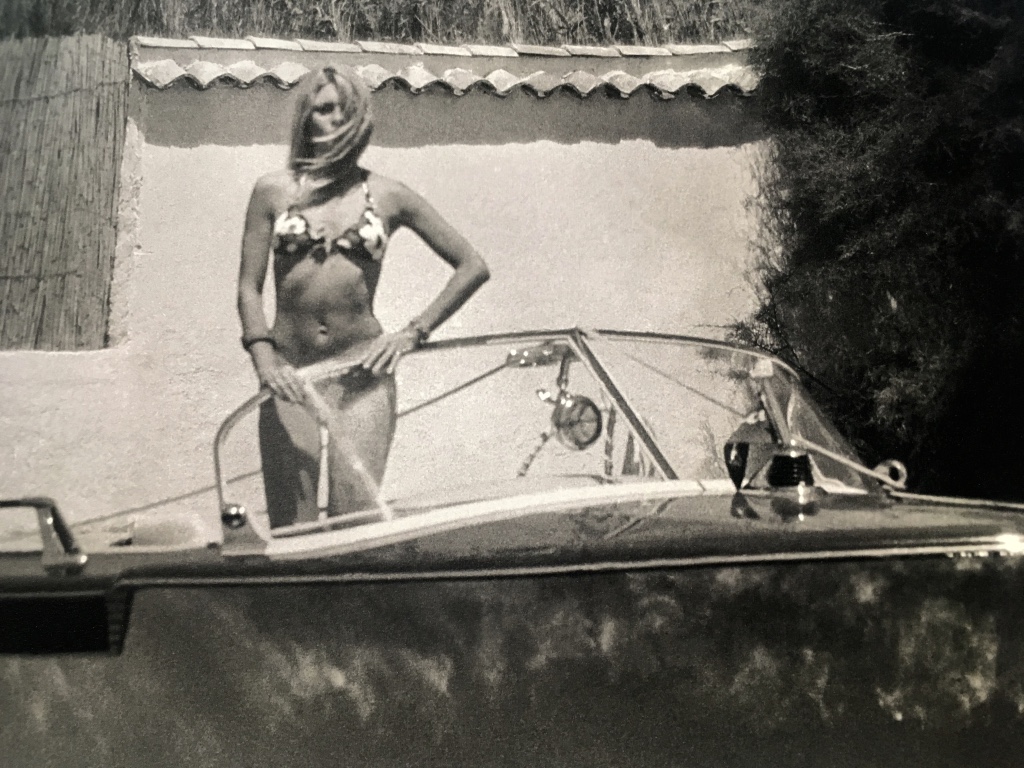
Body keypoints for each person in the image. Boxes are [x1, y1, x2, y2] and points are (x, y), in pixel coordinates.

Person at [237, 65, 489, 528]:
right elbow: (248, 288)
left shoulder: (388, 195)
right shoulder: (273, 191)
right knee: (293, 525)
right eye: (324, 109)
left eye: (346, 110)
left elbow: (472, 265)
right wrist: (264, 361)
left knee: (354, 522)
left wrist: (412, 334)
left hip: (361, 375)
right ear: (306, 117)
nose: (335, 120)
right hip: (291, 373)